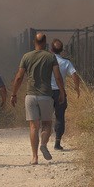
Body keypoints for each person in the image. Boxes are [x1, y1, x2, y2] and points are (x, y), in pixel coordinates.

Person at [11, 32, 66, 165]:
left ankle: (34, 157)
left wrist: (14, 94)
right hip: (46, 96)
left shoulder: (26, 56)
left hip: (30, 96)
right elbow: (58, 77)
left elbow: (19, 77)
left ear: (34, 42)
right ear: (46, 43)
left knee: (33, 127)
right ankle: (44, 144)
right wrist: (62, 92)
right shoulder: (51, 57)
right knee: (47, 124)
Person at [48, 39, 81, 150]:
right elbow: (75, 75)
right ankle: (57, 142)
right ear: (62, 50)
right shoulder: (66, 62)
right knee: (60, 117)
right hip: (59, 92)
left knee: (45, 117)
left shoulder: (46, 60)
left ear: (50, 49)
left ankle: (42, 141)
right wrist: (77, 88)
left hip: (46, 92)